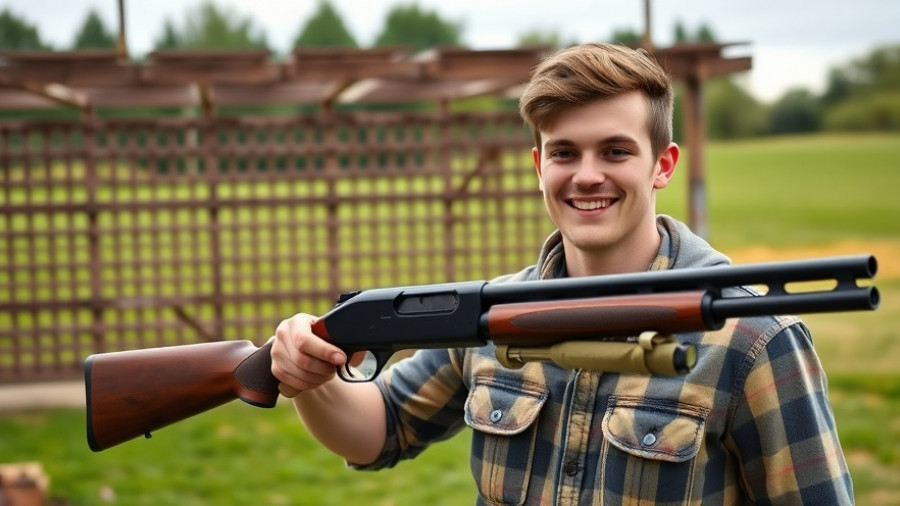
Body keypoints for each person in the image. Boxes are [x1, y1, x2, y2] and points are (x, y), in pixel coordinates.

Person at [270, 43, 854, 505]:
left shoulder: (753, 338)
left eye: (616, 151)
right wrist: (311, 375)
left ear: (663, 165)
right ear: (539, 165)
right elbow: (382, 430)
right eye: (565, 152)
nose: (587, 175)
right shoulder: (489, 312)